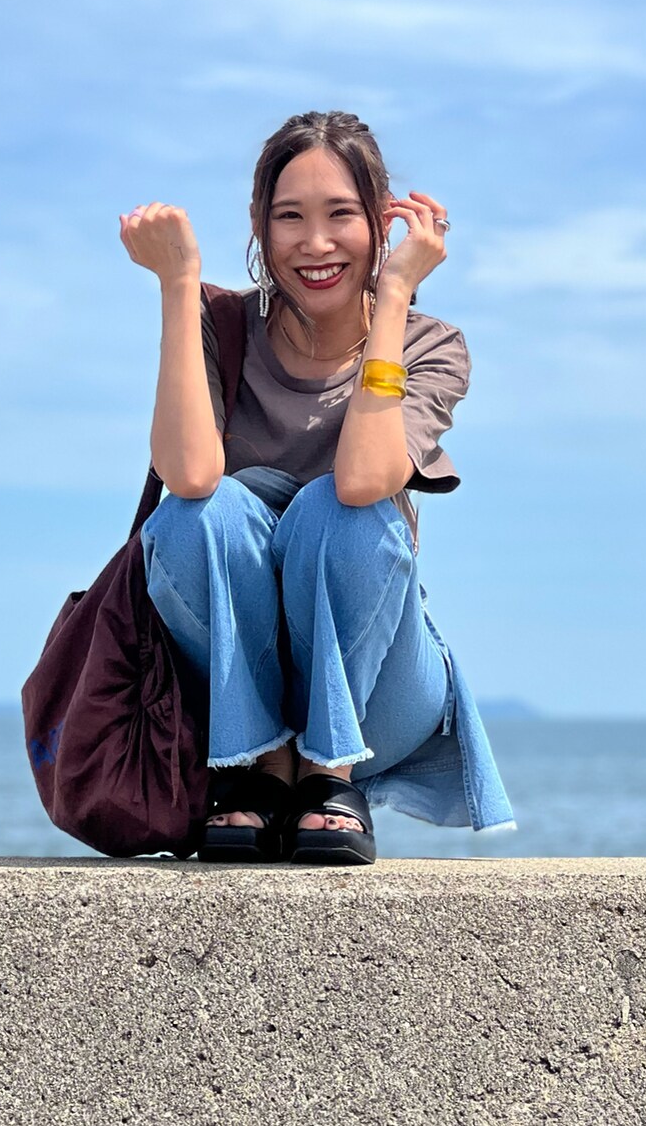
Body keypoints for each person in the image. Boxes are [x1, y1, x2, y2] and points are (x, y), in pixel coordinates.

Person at [118, 110, 515, 866]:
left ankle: (330, 775)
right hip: (243, 692)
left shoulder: (433, 345)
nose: (316, 242)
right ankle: (261, 767)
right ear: (259, 229)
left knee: (345, 508)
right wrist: (177, 286)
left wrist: (393, 294)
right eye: (290, 217)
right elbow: (190, 477)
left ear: (380, 219)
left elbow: (367, 480)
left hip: (379, 692)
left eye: (342, 215)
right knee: (198, 514)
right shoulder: (221, 324)